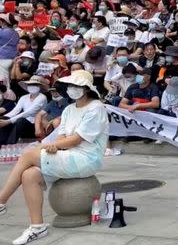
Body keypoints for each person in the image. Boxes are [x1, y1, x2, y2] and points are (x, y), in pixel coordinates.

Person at [0, 70, 108, 245]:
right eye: (71, 85)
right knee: (29, 175)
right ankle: (37, 227)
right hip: (67, 155)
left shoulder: (96, 108)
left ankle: (1, 201)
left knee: (28, 155)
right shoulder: (69, 109)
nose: (73, 89)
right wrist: (53, 145)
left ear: (87, 89)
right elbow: (62, 136)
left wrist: (54, 145)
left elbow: (77, 139)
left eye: (77, 86)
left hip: (86, 158)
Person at [0, 76, 48, 145]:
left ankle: (10, 144)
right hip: (22, 125)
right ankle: (2, 143)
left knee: (20, 120)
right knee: (4, 118)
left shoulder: (42, 97)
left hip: (35, 127)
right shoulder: (23, 97)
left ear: (39, 86)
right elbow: (15, 111)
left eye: (35, 84)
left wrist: (8, 121)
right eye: (30, 84)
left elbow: (28, 112)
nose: (32, 86)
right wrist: (4, 118)